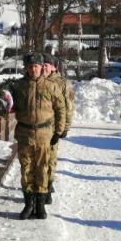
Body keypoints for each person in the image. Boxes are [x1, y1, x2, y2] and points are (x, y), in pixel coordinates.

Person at [10, 52, 66, 219]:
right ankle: (28, 204)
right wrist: (1, 106)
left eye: (36, 66)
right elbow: (11, 107)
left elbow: (60, 109)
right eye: (30, 67)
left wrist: (59, 131)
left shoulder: (51, 86)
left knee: (42, 168)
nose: (33, 69)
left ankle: (40, 205)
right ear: (26, 68)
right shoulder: (19, 86)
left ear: (42, 67)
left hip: (44, 134)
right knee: (26, 168)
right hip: (25, 133)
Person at [43, 53, 74, 204]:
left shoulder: (62, 83)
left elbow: (68, 107)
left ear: (54, 67)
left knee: (51, 157)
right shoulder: (38, 79)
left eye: (46, 65)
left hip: (54, 126)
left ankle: (48, 186)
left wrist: (65, 127)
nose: (43, 68)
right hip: (39, 127)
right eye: (42, 65)